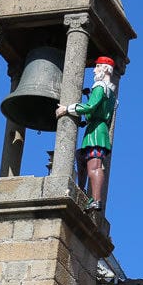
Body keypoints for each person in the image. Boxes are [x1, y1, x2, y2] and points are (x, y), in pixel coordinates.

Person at [56, 56, 116, 211]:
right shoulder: (111, 93)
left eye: (97, 66)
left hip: (96, 132)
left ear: (104, 69)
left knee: (94, 166)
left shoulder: (100, 86)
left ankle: (96, 200)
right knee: (80, 156)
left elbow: (90, 106)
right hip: (97, 130)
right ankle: (82, 190)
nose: (94, 70)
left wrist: (67, 109)